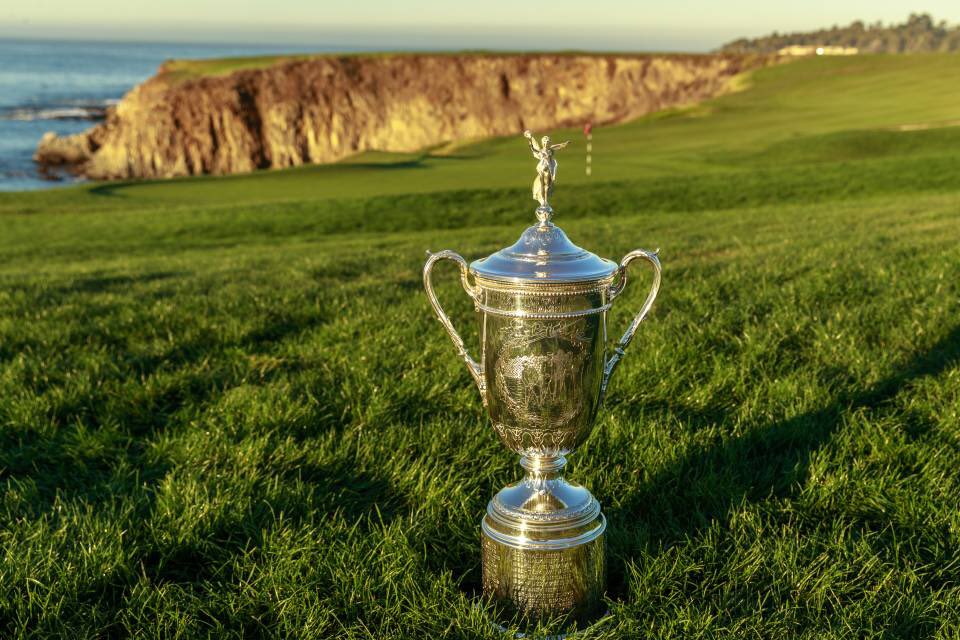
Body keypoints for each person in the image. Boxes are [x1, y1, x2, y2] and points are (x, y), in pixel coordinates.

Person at [524, 130, 569, 211]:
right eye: (545, 142)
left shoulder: (550, 150)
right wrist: (530, 139)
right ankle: (543, 201)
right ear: (543, 143)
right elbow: (534, 148)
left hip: (549, 169)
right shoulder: (540, 151)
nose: (546, 143)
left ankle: (545, 200)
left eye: (547, 142)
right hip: (542, 168)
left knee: (547, 186)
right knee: (542, 185)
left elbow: (557, 146)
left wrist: (564, 144)